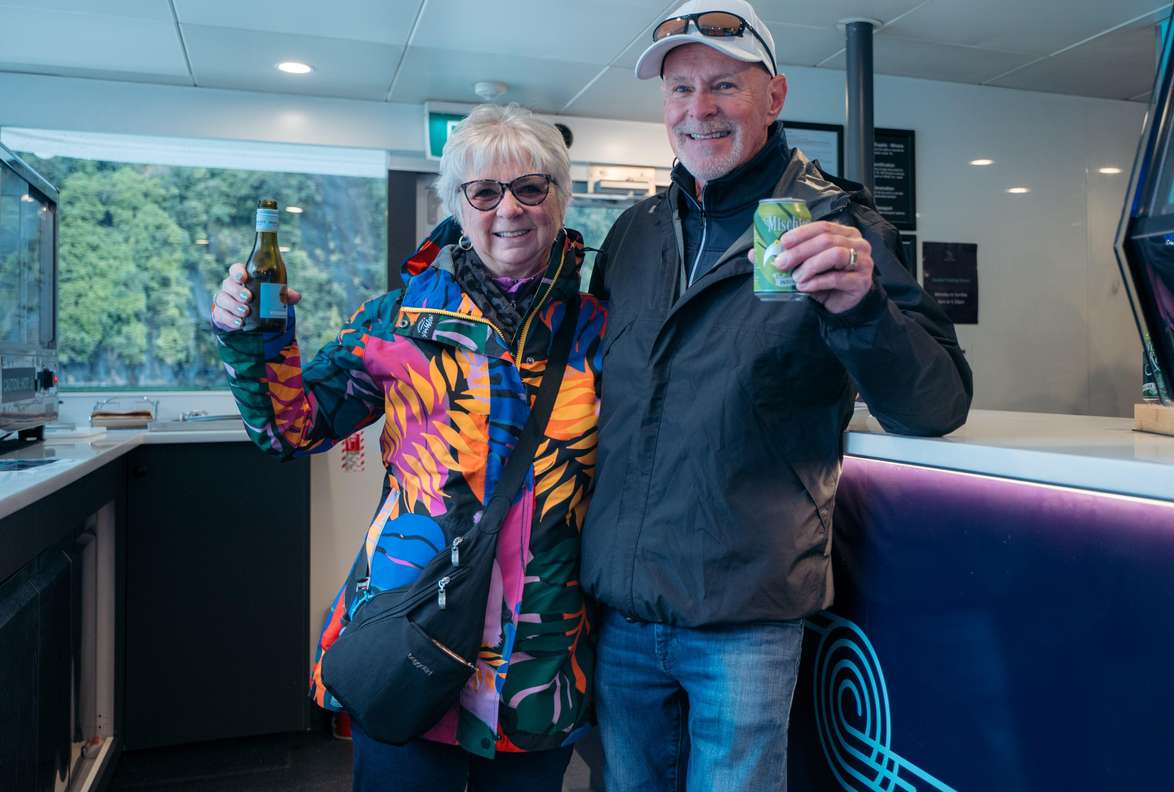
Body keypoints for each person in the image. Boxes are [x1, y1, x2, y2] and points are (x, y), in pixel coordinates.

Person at [590, 0, 972, 788]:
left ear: (775, 97)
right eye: (679, 90)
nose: (698, 110)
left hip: (744, 613)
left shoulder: (837, 226)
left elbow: (935, 405)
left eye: (725, 86)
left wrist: (860, 306)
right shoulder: (633, 234)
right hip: (622, 610)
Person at [209, 104, 607, 792]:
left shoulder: (600, 329)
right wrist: (252, 340)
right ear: (456, 203)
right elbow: (290, 428)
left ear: (560, 197)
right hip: (409, 638)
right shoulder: (399, 321)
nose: (508, 209)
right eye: (484, 191)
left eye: (530, 188)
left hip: (540, 660)